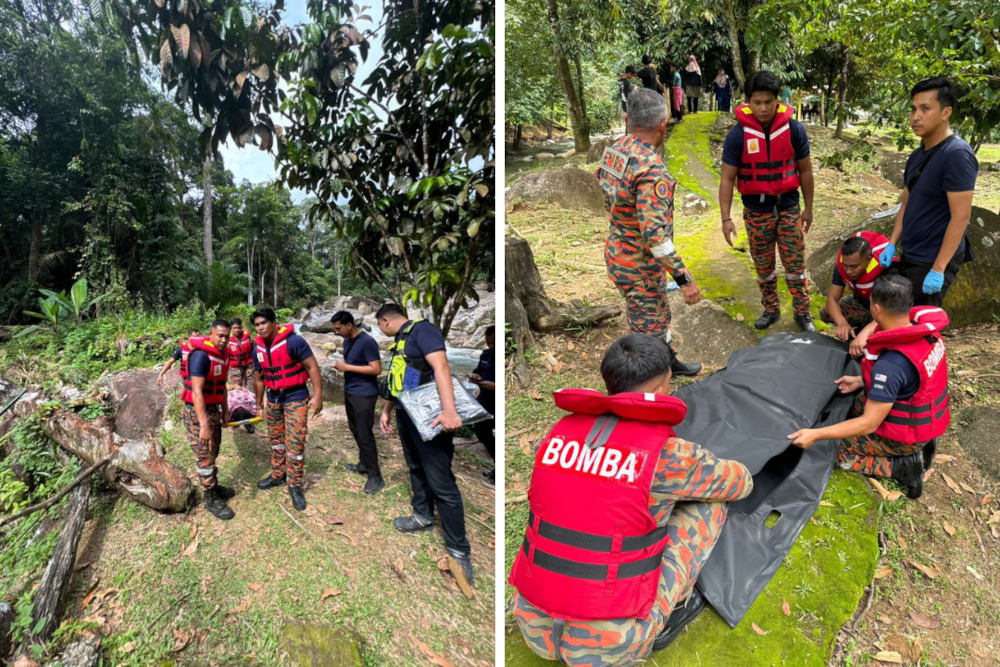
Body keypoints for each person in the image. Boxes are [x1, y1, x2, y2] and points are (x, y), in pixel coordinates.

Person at [510, 334, 753, 664]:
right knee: (709, 505)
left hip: (533, 624)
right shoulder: (670, 456)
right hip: (608, 646)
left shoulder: (555, 436)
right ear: (658, 390)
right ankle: (666, 618)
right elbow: (739, 483)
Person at [789, 275, 949, 500]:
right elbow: (913, 379)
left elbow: (868, 424)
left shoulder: (890, 364)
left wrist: (815, 434)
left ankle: (902, 465)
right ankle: (914, 447)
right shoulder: (926, 332)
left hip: (905, 436)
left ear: (876, 309)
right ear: (909, 305)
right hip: (927, 417)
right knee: (853, 404)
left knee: (828, 450)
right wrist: (862, 381)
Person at [596, 88, 704, 376]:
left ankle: (669, 361)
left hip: (619, 253)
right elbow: (655, 235)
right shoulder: (651, 169)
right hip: (640, 264)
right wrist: (683, 279)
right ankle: (651, 382)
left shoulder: (614, 152)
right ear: (662, 124)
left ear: (628, 118)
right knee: (649, 327)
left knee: (654, 314)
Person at [376, 303, 474, 584]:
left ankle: (458, 548)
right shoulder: (401, 340)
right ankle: (422, 515)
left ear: (385, 320)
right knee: (415, 466)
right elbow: (396, 378)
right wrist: (386, 411)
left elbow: (441, 366)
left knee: (441, 480)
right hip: (408, 413)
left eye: (380, 327)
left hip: (432, 416)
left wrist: (450, 410)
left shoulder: (423, 330)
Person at [719, 71, 817, 333]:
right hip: (755, 210)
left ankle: (803, 312)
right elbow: (727, 179)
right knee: (763, 265)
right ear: (748, 102)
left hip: (788, 207)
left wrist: (808, 208)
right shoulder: (737, 135)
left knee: (795, 263)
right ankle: (771, 309)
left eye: (768, 102)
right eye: (757, 102)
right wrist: (726, 218)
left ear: (778, 100)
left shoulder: (794, 130)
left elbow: (805, 171)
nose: (763, 108)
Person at [876, 76, 977, 310]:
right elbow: (907, 204)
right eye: (913, 109)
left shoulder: (956, 154)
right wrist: (892, 243)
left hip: (933, 258)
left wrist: (939, 268)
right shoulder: (917, 155)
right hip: (911, 252)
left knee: (917, 324)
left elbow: (961, 217)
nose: (915, 117)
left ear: (946, 112)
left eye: (925, 108)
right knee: (898, 316)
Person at [251, 309, 324, 511]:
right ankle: (277, 475)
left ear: (274, 322)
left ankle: (294, 484)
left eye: (264, 323)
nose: (261, 327)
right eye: (257, 325)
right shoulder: (256, 348)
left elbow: (312, 367)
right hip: (273, 398)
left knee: (295, 442)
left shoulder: (294, 342)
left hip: (295, 396)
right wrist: (258, 405)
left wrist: (318, 396)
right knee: (276, 440)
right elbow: (258, 378)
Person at [180, 321, 235, 521]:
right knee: (204, 454)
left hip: (213, 409)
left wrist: (226, 411)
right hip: (197, 412)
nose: (223, 340)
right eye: (220, 335)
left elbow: (221, 387)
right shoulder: (201, 356)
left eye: (226, 336)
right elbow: (196, 393)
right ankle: (209, 496)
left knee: (214, 450)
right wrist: (203, 424)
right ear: (210, 334)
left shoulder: (222, 357)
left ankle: (214, 485)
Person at [330, 310, 385, 495]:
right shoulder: (347, 341)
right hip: (351, 391)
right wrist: (342, 366)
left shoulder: (367, 342)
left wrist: (347, 367)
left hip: (365, 394)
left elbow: (376, 369)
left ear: (349, 325)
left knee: (364, 433)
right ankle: (363, 464)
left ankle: (375, 475)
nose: (337, 332)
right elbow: (353, 363)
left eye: (339, 328)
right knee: (355, 430)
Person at [821, 231, 898, 344]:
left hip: (886, 309)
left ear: (868, 259)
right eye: (845, 266)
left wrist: (865, 332)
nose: (848, 271)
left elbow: (890, 311)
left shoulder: (888, 269)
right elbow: (832, 299)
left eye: (854, 267)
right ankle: (858, 327)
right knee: (827, 313)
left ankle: (866, 332)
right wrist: (842, 323)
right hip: (863, 304)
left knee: (871, 337)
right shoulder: (843, 265)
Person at [469, 325, 495, 487]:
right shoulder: (485, 355)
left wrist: (495, 386)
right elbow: (477, 370)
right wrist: (475, 376)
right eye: (488, 343)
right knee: (482, 433)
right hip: (484, 401)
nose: (491, 346)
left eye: (494, 343)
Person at [226, 318, 253, 389]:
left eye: (239, 328)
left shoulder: (248, 337)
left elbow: (254, 350)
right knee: (235, 389)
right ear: (231, 328)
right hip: (235, 368)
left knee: (251, 389)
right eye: (235, 328)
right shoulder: (227, 339)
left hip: (249, 366)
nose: (237, 330)